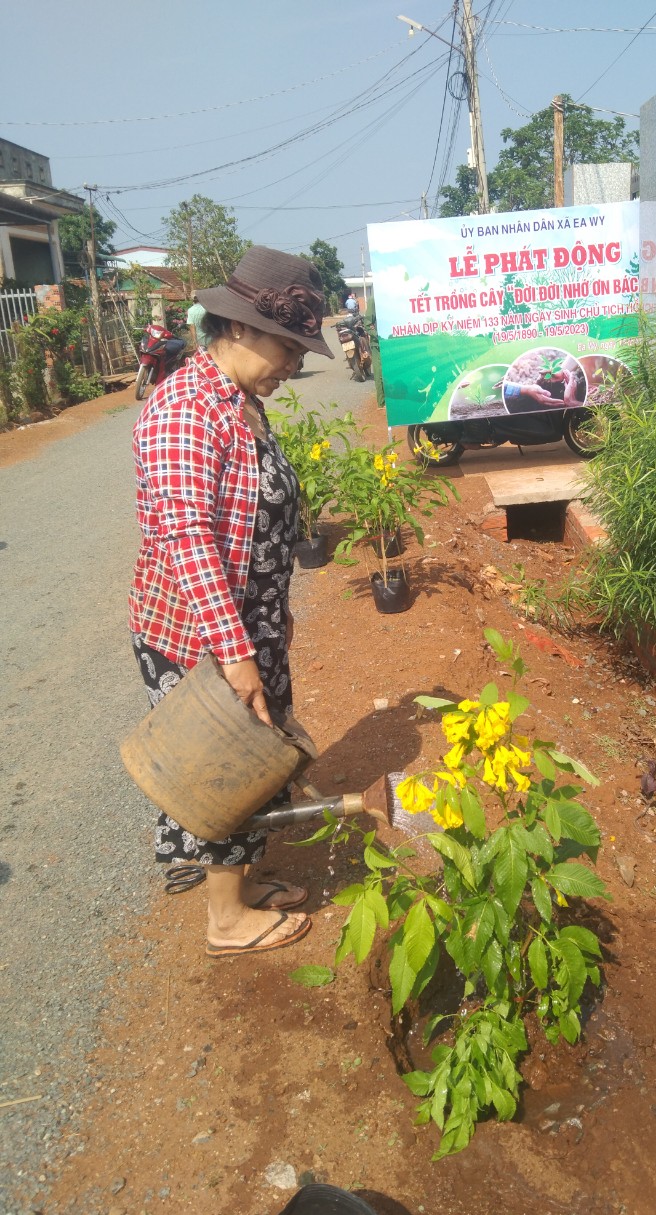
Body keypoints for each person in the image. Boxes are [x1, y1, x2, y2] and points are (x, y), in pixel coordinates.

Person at [129, 246, 335, 958]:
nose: (292, 366)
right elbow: (188, 539)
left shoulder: (237, 402)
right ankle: (225, 917)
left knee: (256, 760)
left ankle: (241, 884)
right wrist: (235, 652)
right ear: (241, 328)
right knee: (221, 765)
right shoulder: (185, 407)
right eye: (287, 347)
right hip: (202, 635)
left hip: (250, 626)